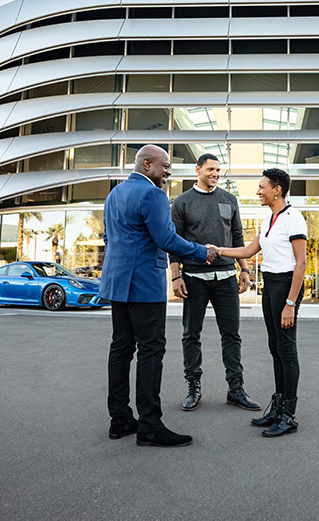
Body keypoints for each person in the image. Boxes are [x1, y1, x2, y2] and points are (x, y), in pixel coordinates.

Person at [100, 144, 218, 448]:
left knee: (121, 349)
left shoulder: (114, 194)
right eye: (165, 166)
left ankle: (120, 419)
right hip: (144, 285)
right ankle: (150, 425)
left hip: (117, 283)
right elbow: (166, 239)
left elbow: (108, 237)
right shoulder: (152, 194)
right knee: (151, 350)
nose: (168, 172)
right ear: (146, 163)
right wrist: (202, 251)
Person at [218, 168, 307, 437]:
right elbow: (248, 250)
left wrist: (290, 302)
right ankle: (278, 407)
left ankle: (288, 414)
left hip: (286, 287)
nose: (258, 191)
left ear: (277, 189)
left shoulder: (294, 218)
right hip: (270, 285)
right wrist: (217, 249)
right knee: (275, 347)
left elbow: (301, 263)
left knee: (287, 349)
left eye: (262, 187)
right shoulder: (268, 220)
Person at [170, 153, 261, 412]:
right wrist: (176, 276)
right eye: (211, 169)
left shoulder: (229, 200)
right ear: (197, 169)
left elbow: (237, 235)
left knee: (231, 335)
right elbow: (174, 242)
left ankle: (236, 388)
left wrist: (244, 270)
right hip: (194, 279)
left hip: (225, 279)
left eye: (218, 170)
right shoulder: (182, 202)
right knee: (191, 335)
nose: (215, 174)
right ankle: (193, 387)